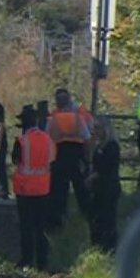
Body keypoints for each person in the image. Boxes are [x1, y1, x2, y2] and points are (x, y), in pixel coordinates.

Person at [12, 104, 55, 270]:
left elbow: (16, 161)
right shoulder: (47, 139)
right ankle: (42, 262)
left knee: (26, 226)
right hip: (43, 189)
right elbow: (51, 160)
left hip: (24, 190)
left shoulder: (21, 141)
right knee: (40, 227)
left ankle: (26, 260)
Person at [46, 88, 91, 227]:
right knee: (80, 187)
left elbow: (47, 139)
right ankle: (87, 214)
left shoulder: (53, 119)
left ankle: (59, 218)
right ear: (69, 101)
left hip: (59, 155)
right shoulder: (77, 117)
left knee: (59, 189)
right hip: (76, 155)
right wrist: (87, 158)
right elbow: (87, 138)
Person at [88, 116, 121, 251]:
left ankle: (110, 247)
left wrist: (92, 177)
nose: (94, 131)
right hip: (98, 189)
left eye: (97, 128)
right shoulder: (98, 146)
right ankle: (97, 246)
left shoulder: (112, 146)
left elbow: (107, 167)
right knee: (96, 218)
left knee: (108, 218)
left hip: (109, 187)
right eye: (94, 128)